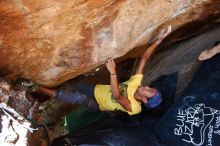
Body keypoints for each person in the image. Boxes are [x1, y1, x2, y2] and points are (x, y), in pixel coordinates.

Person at [26, 26, 172, 115]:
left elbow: (118, 97)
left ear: (145, 99)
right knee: (74, 82)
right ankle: (53, 84)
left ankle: (37, 87)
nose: (146, 87)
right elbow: (144, 59)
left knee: (77, 98)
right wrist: (159, 40)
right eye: (150, 88)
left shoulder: (135, 108)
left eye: (149, 91)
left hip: (98, 104)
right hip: (97, 89)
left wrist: (113, 72)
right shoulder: (137, 83)